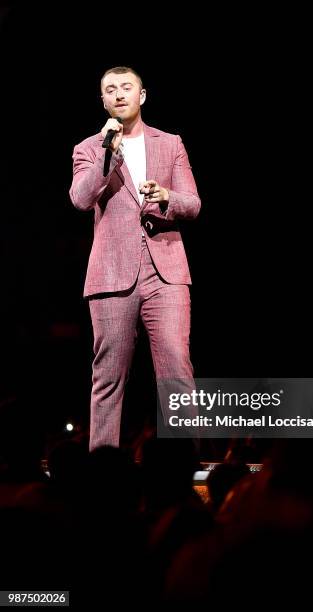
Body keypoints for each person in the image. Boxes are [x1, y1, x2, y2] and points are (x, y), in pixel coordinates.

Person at [69, 66, 201, 450]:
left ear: (142, 96)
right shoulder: (88, 148)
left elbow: (193, 204)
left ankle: (182, 461)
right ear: (104, 100)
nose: (119, 94)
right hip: (112, 274)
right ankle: (102, 466)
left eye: (127, 87)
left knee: (177, 366)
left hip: (167, 271)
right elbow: (80, 199)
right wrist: (106, 157)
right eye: (111, 90)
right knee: (108, 375)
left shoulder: (170, 143)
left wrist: (166, 197)